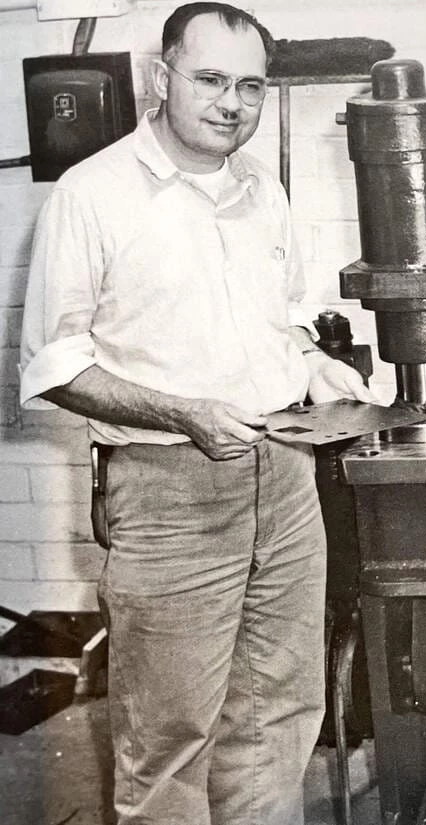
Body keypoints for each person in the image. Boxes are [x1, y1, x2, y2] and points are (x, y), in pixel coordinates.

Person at [19, 4, 374, 823]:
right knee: (169, 738)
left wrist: (314, 367)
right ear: (161, 77)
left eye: (250, 86)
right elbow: (57, 364)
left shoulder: (263, 191)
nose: (232, 103)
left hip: (283, 481)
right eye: (211, 79)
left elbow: (274, 318)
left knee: (280, 716)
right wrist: (185, 415)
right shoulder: (93, 194)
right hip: (166, 491)